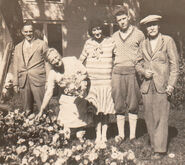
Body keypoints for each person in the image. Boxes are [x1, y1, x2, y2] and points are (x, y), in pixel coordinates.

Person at [138, 15, 179, 159]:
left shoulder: (167, 41)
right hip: (147, 86)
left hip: (163, 85)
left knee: (161, 117)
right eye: (149, 26)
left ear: (159, 25)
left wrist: (171, 85)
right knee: (149, 117)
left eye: (154, 24)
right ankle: (154, 144)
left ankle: (160, 150)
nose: (151, 28)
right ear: (145, 28)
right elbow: (137, 63)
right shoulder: (143, 44)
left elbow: (175, 66)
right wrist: (143, 71)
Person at [111, 6, 145, 143]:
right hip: (117, 72)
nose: (122, 22)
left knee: (132, 104)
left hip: (132, 72)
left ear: (129, 17)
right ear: (116, 22)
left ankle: (132, 136)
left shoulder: (139, 34)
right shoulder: (113, 37)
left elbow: (143, 55)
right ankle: (120, 135)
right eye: (119, 20)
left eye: (124, 18)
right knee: (118, 104)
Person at [36, 48, 91, 130]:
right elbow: (49, 93)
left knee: (80, 123)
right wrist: (41, 110)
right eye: (52, 60)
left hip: (80, 96)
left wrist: (78, 81)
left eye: (56, 57)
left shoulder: (71, 60)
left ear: (59, 54)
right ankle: (67, 134)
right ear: (50, 63)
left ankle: (80, 134)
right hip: (66, 98)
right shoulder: (53, 73)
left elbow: (85, 73)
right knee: (66, 122)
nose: (56, 60)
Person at [79, 19, 115, 146]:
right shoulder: (88, 43)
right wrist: (78, 74)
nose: (97, 32)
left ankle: (104, 135)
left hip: (106, 81)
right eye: (94, 30)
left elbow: (117, 57)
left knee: (105, 110)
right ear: (91, 31)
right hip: (93, 82)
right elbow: (81, 59)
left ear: (102, 29)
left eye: (99, 29)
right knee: (95, 110)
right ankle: (97, 134)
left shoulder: (110, 42)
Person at [12, 20, 51, 116]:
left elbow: (47, 63)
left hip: (39, 79)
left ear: (33, 31)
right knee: (27, 111)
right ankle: (29, 129)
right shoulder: (18, 47)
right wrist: (15, 83)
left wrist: (48, 81)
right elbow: (15, 65)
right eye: (26, 32)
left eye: (30, 31)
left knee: (43, 108)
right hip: (23, 81)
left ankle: (48, 128)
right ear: (22, 32)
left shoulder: (42, 44)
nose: (28, 34)